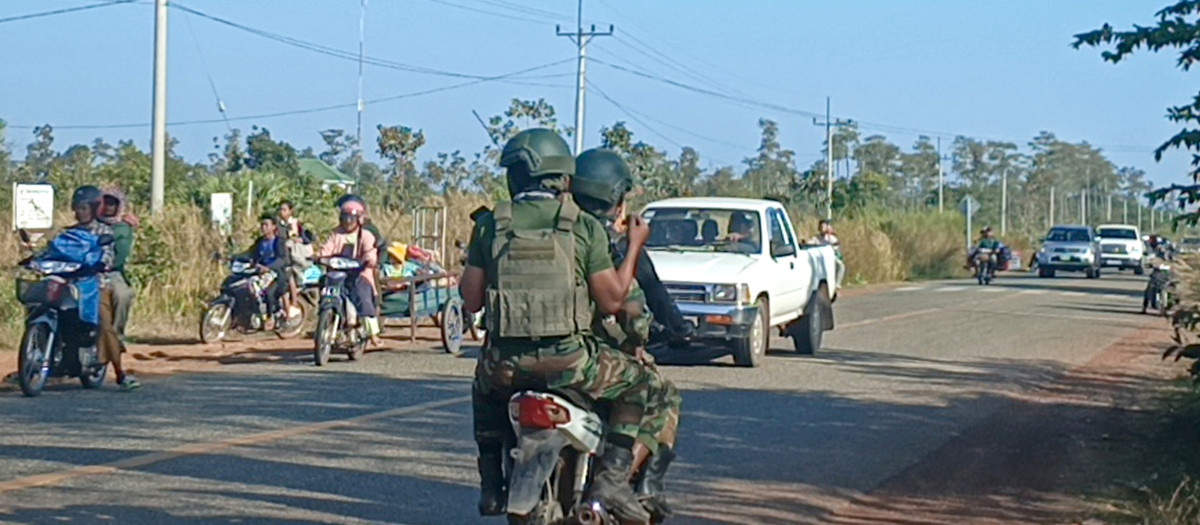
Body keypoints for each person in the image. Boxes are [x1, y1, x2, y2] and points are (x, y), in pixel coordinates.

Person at [461, 128, 655, 523]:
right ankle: (613, 482)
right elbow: (613, 300)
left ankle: (491, 483)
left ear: (512, 176)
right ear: (564, 178)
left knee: (482, 389)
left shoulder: (490, 225)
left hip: (505, 365)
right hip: (570, 363)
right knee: (642, 385)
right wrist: (634, 245)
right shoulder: (580, 225)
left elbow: (470, 300)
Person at [572, 147, 684, 521]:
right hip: (591, 361)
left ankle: (493, 476)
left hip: (523, 361)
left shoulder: (547, 234)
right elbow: (633, 312)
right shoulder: (611, 246)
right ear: (616, 201)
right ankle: (635, 484)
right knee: (661, 394)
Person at [317, 198, 382, 346]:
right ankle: (326, 316)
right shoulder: (335, 233)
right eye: (344, 217)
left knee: (362, 296)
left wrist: (369, 260)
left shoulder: (365, 235)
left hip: (359, 273)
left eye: (351, 218)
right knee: (324, 284)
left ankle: (373, 333)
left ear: (359, 219)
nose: (347, 221)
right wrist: (319, 256)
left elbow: (370, 251)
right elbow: (326, 248)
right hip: (337, 272)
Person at [99, 187, 138, 344]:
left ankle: (116, 337)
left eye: (112, 204)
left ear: (118, 206)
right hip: (82, 270)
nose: (108, 207)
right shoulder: (89, 222)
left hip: (110, 271)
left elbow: (120, 256)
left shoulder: (122, 228)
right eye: (104, 203)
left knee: (123, 295)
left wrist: (103, 265)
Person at [245, 214, 290, 330]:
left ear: (273, 227)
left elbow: (283, 259)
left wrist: (269, 267)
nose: (263, 227)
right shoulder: (259, 242)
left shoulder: (279, 242)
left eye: (266, 225)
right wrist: (232, 257)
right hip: (261, 273)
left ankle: (272, 315)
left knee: (269, 293)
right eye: (262, 225)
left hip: (276, 275)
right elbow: (249, 253)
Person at [277, 200, 314, 307]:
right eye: (280, 209)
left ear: (290, 211)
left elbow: (306, 238)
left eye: (284, 210)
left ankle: (293, 303)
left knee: (289, 276)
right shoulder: (278, 225)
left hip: (292, 257)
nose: (281, 212)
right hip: (282, 254)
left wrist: (299, 239)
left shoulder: (295, 223)